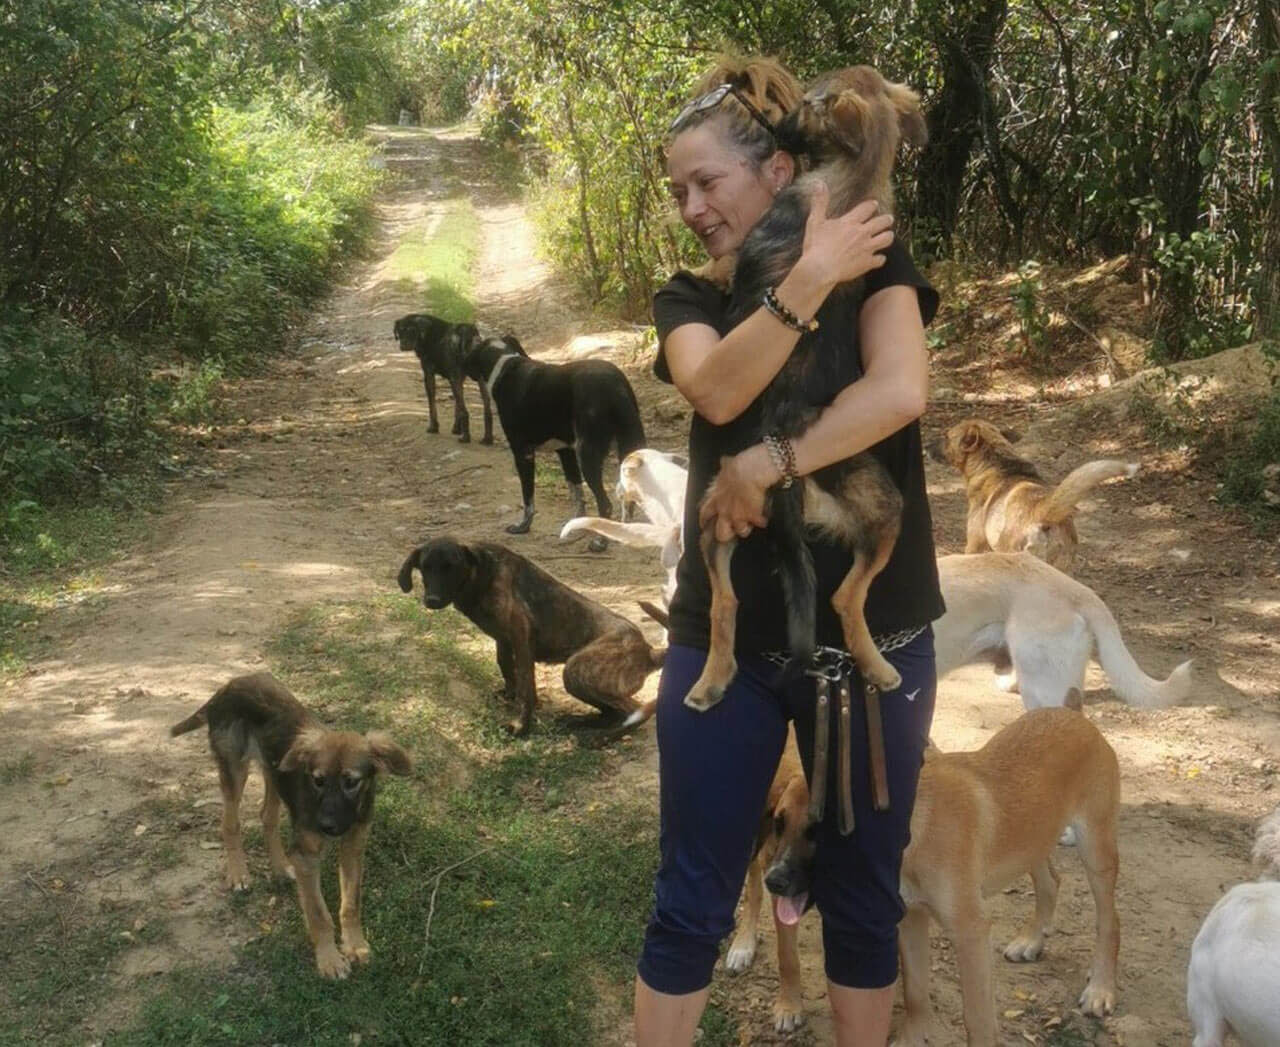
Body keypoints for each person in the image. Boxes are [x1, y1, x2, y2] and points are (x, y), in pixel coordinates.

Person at [634, 56, 945, 1047]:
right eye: (675, 189)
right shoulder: (687, 299)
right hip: (724, 635)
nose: (689, 207)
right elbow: (717, 391)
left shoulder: (878, 255)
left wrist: (767, 465)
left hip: (871, 626)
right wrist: (808, 275)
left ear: (774, 172)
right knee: (690, 893)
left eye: (706, 183)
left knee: (859, 895)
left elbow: (898, 394)